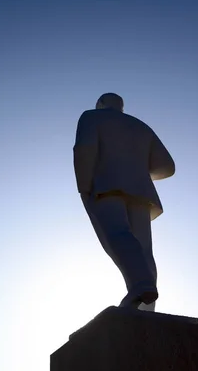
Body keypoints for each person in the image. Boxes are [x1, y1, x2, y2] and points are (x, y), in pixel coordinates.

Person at [73, 93, 175, 311]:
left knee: (117, 235)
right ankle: (146, 308)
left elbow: (85, 147)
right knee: (144, 248)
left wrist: (84, 186)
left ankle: (140, 286)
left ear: (100, 104)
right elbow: (167, 165)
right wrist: (136, 171)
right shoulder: (141, 127)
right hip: (142, 192)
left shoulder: (92, 117)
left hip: (106, 185)